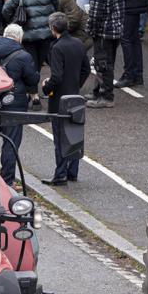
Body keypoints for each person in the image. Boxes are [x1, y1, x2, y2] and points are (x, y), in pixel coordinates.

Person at [0, 23, 39, 184]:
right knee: (10, 142)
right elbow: (32, 79)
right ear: (19, 38)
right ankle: (7, 180)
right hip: (14, 103)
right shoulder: (23, 56)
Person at [41, 11, 90, 186]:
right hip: (75, 97)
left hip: (59, 100)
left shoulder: (57, 47)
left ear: (53, 28)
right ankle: (72, 172)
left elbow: (56, 77)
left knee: (60, 138)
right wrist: (76, 85)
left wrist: (46, 88)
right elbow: (86, 69)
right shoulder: (78, 43)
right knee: (74, 134)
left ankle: (60, 174)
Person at [1, 0, 58, 79]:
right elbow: (55, 9)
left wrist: (12, 22)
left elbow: (6, 9)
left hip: (27, 34)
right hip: (46, 34)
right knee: (41, 63)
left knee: (30, 65)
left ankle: (33, 94)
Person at [84, 0, 123, 108]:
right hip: (117, 30)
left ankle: (106, 97)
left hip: (103, 33)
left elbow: (94, 17)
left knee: (102, 65)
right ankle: (97, 91)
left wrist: (89, 31)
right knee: (108, 62)